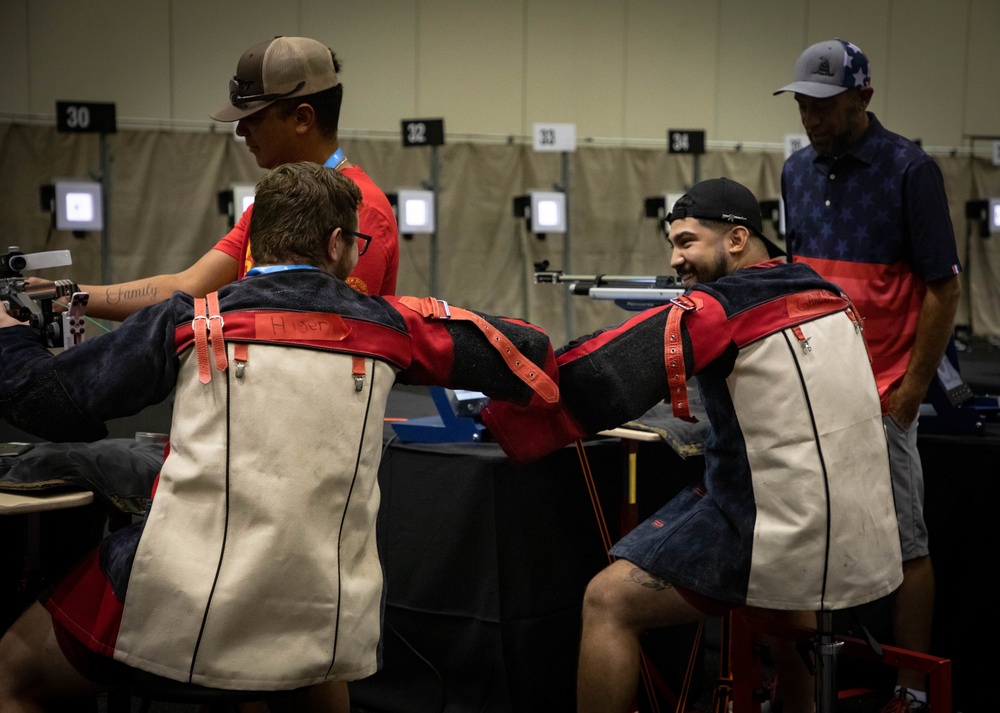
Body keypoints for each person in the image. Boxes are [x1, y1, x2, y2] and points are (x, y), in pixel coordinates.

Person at [0, 162, 558, 712]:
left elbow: (47, 402)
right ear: (339, 242)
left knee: (12, 671)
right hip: (328, 612)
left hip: (184, 602)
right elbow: (528, 354)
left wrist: (12, 336)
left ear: (254, 244)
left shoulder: (189, 320)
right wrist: (506, 423)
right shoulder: (395, 328)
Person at [480, 178, 904, 713]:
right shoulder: (827, 293)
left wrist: (500, 404)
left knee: (607, 601)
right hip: (854, 527)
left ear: (735, 239)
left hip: (770, 523)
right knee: (789, 605)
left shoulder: (718, 309)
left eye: (686, 241)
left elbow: (609, 371)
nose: (677, 259)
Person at [774, 39, 962, 713]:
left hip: (883, 395)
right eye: (802, 104)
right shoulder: (794, 172)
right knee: (804, 537)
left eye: (824, 104)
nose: (812, 117)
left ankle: (910, 689)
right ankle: (799, 688)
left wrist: (908, 396)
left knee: (906, 544)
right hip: (810, 395)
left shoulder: (910, 171)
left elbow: (943, 290)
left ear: (864, 97)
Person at [75, 35, 400, 322]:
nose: (241, 130)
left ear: (302, 118)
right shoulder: (279, 201)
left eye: (254, 118)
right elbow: (187, 288)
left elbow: (337, 334)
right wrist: (70, 296)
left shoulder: (359, 209)